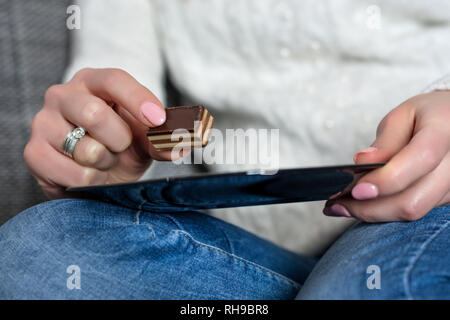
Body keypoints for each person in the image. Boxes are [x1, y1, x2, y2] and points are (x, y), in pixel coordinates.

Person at [0, 0, 449, 299]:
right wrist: (97, 144)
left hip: (425, 203)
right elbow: (117, 89)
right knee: (40, 246)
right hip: (240, 250)